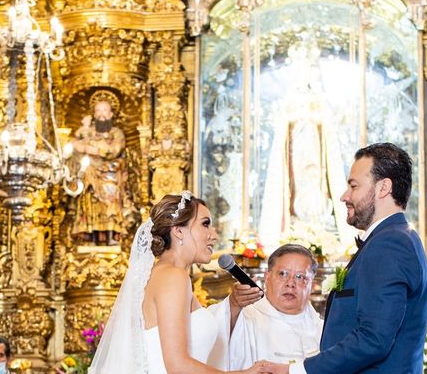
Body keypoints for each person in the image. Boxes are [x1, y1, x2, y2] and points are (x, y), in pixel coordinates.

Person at [88, 192, 287, 373]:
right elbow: (177, 365)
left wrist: (233, 305)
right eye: (205, 224)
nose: (214, 235)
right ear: (179, 231)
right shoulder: (173, 277)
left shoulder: (163, 274)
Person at [289, 142, 427, 373]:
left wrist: (298, 370)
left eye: (353, 186)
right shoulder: (390, 239)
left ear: (383, 188)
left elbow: (373, 339)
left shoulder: (390, 244)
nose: (345, 196)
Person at [209, 244, 323, 369]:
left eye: (300, 277)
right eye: (283, 274)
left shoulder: (323, 329)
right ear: (267, 277)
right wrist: (233, 304)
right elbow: (213, 340)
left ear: (312, 285)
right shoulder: (244, 318)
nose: (290, 283)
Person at [71, 98, 133, 245]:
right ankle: (90, 233)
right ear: (94, 114)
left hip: (110, 171)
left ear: (111, 114)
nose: (101, 114)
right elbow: (74, 145)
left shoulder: (117, 133)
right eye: (98, 111)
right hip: (90, 170)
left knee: (110, 190)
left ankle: (111, 233)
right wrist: (84, 146)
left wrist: (96, 150)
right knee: (87, 191)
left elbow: (115, 150)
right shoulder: (88, 131)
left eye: (105, 110)